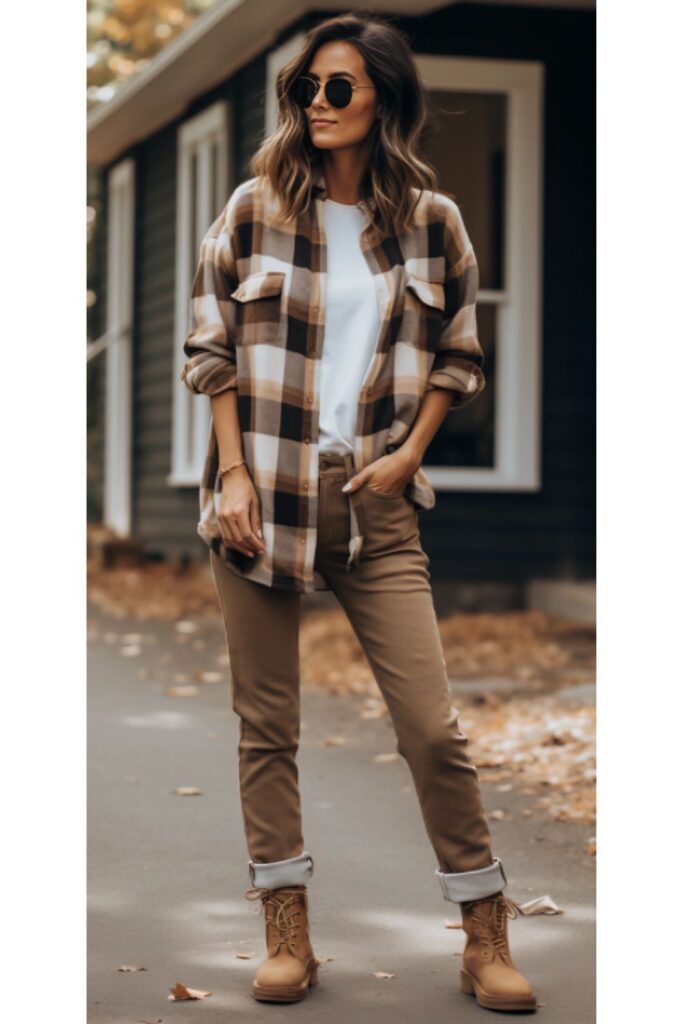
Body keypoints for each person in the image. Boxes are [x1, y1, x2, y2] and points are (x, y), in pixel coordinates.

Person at [180, 11, 537, 1013]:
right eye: (307, 88)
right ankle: (286, 929)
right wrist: (233, 474)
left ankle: (482, 930)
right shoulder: (253, 208)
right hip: (264, 500)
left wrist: (409, 453)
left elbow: (460, 355)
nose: (318, 105)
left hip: (373, 504)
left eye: (339, 88)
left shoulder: (433, 220)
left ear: (383, 97)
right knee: (268, 727)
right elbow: (209, 349)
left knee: (431, 727)